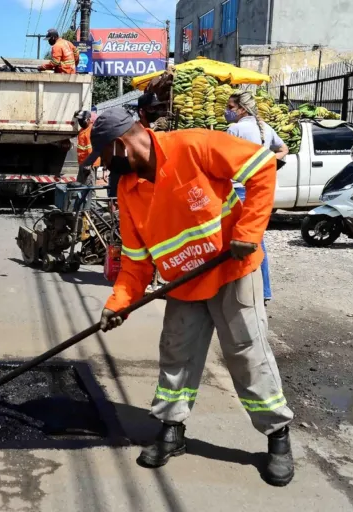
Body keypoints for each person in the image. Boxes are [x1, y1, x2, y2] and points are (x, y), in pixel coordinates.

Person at [84, 108, 295, 487]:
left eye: (105, 156)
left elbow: (262, 167)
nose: (106, 167)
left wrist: (247, 230)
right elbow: (135, 261)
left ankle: (277, 435)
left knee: (247, 354)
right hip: (183, 282)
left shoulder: (193, 146)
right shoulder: (128, 189)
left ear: (121, 145)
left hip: (232, 270)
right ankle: (171, 428)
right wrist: (118, 305)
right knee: (176, 356)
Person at [225, 91, 288, 305]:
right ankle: (264, 290)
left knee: (241, 240)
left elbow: (225, 161)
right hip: (260, 191)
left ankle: (248, 290)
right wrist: (269, 159)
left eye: (230, 107)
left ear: (242, 109)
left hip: (239, 191)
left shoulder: (235, 129)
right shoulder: (265, 128)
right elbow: (283, 149)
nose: (227, 111)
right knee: (256, 239)